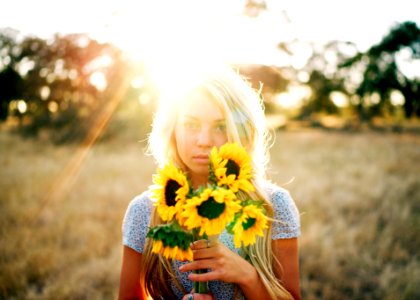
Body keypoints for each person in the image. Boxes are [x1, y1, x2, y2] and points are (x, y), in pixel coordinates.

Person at [118, 65, 301, 300]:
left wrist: (248, 277)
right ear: (173, 129)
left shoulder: (272, 206)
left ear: (242, 131)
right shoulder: (144, 211)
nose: (204, 141)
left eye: (221, 127)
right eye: (191, 125)